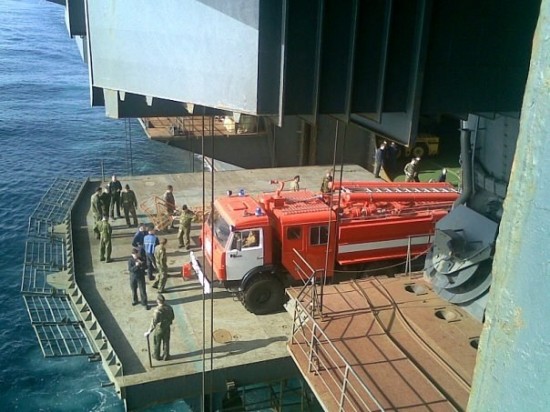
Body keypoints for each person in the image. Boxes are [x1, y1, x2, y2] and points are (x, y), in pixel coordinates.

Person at [144, 294, 174, 361]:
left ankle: (156, 355)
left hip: (159, 329)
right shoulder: (169, 307)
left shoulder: (157, 311)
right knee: (166, 342)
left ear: (158, 301)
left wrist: (149, 331)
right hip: (167, 327)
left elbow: (154, 322)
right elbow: (172, 317)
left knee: (157, 342)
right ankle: (166, 356)